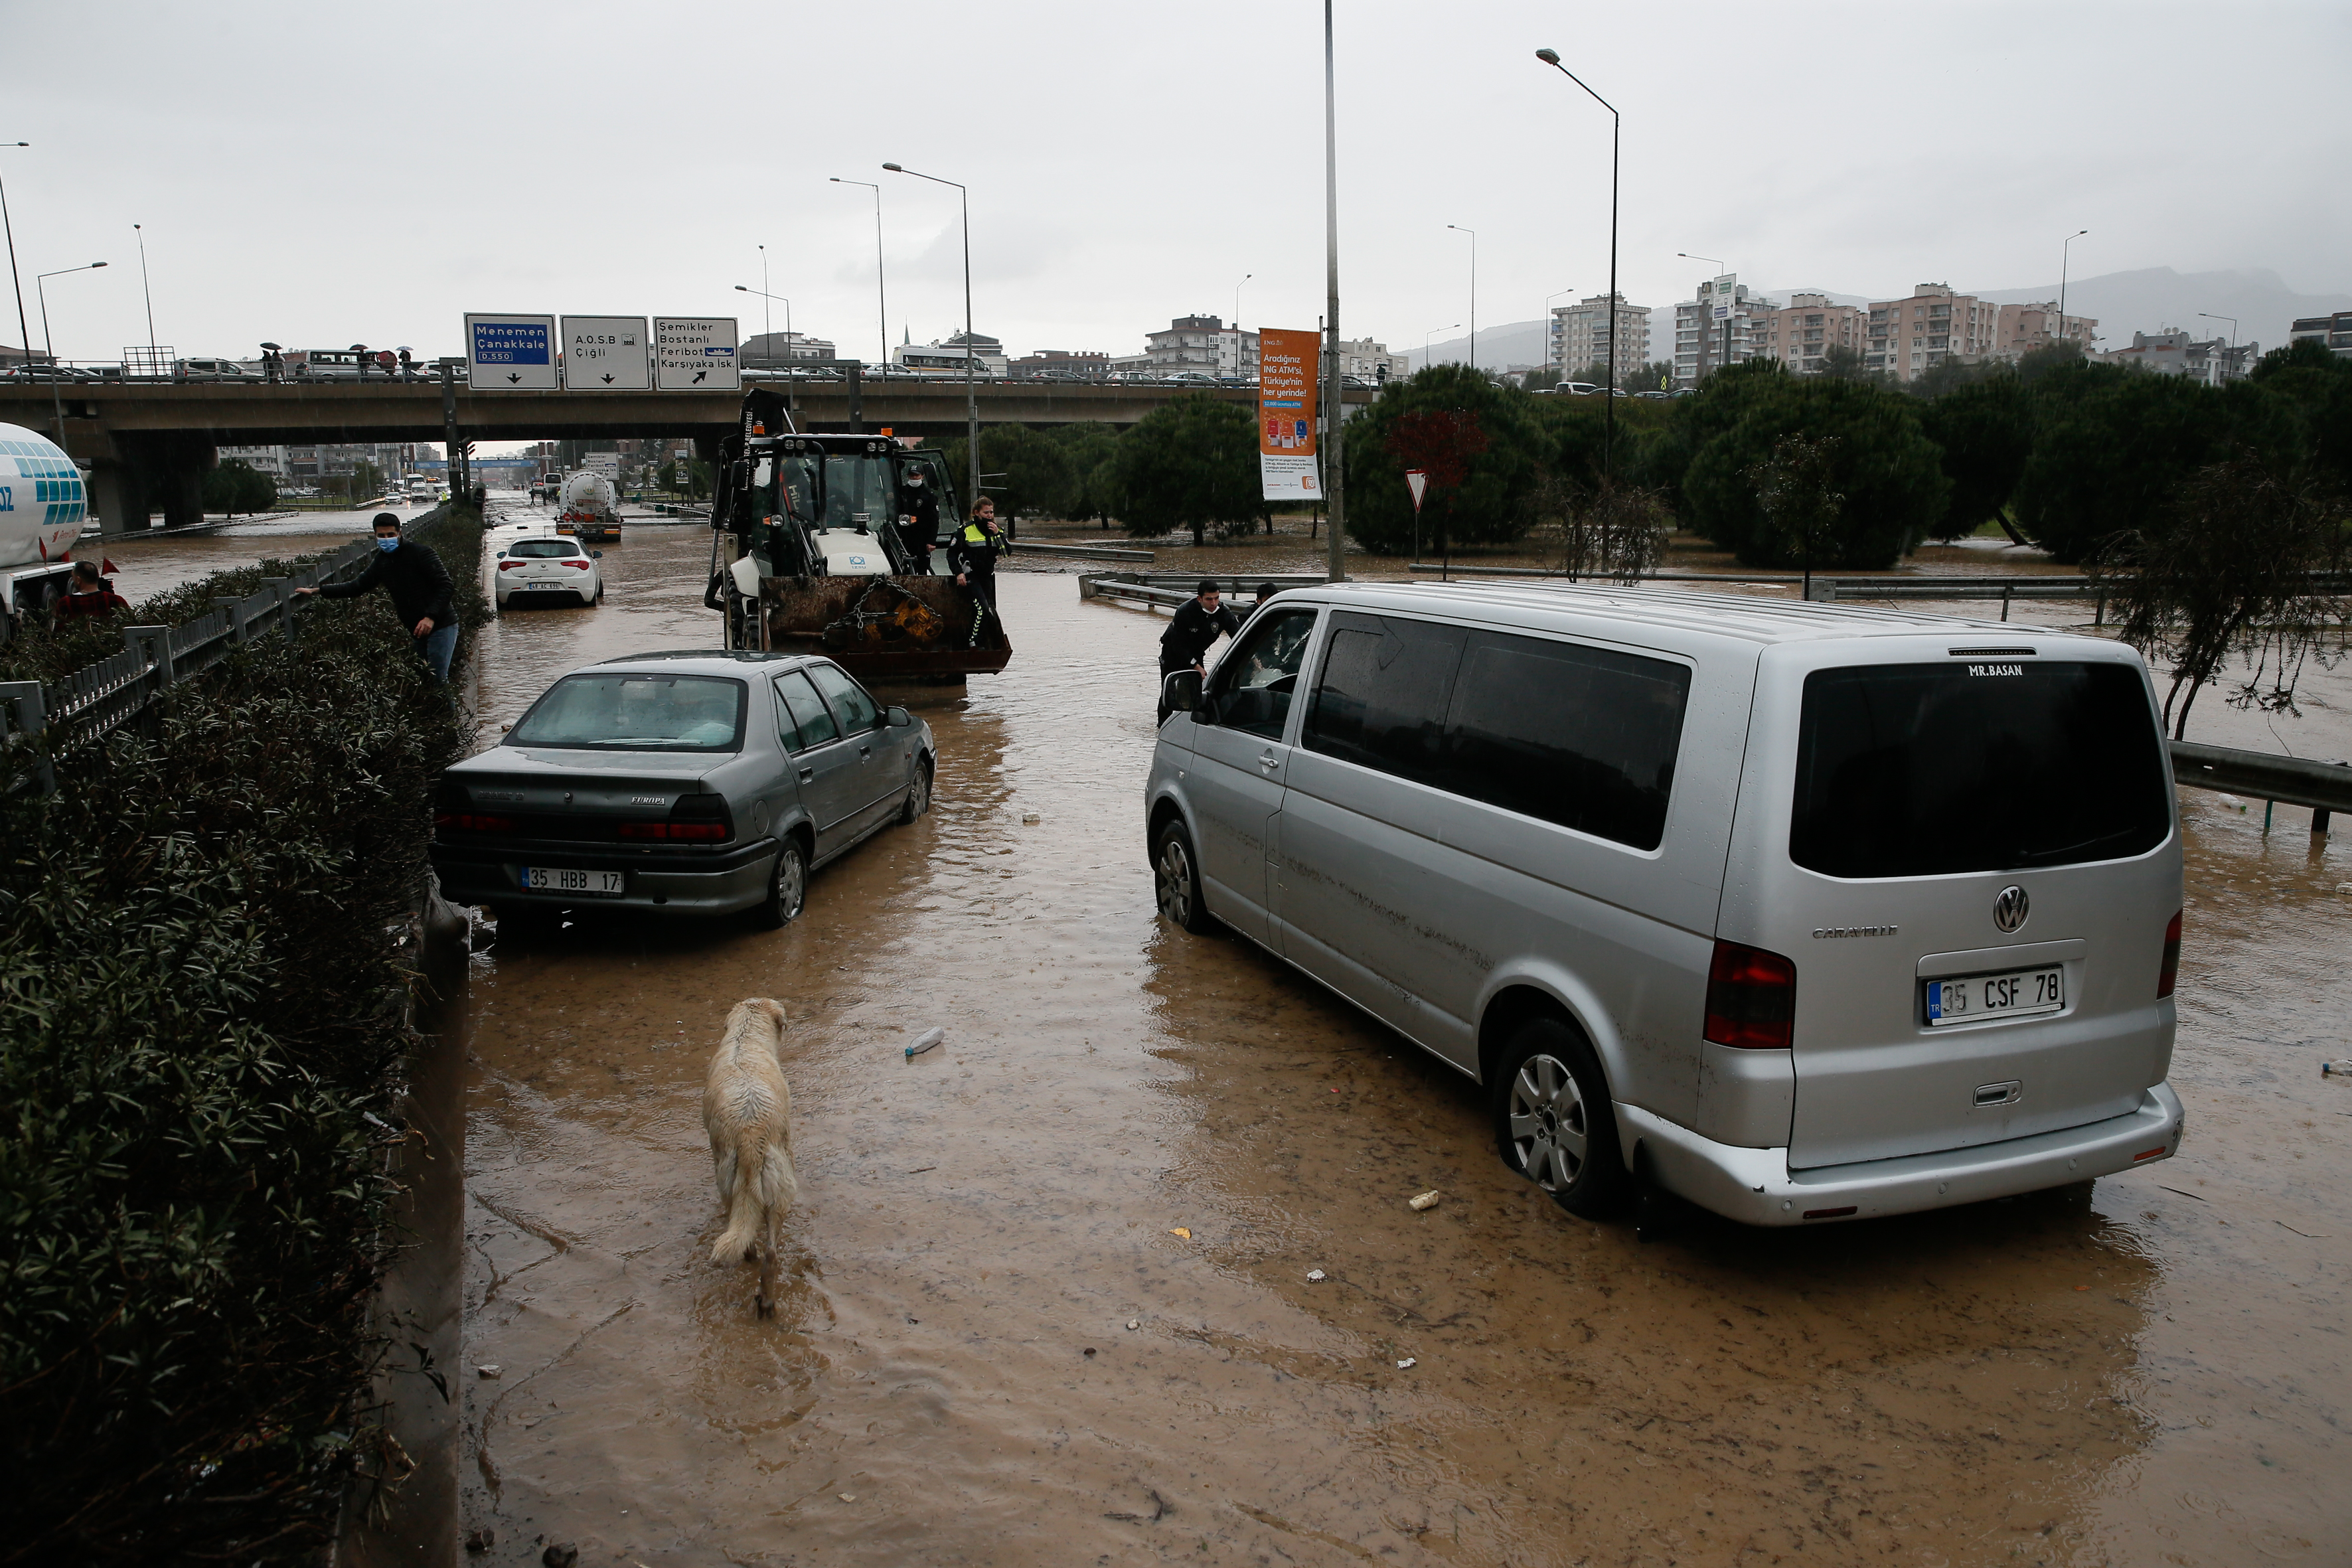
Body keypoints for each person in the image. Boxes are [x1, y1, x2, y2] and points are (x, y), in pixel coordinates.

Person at [295, 512, 460, 682]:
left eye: (390, 534)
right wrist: (318, 591)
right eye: (382, 536)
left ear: (399, 533)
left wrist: (430, 617)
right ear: (375, 535)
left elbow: (446, 585)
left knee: (437, 679)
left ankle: (447, 701)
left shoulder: (420, 553)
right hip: (416, 630)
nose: (386, 539)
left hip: (441, 625)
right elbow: (357, 587)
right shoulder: (381, 562)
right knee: (425, 680)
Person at [1157, 580, 1241, 724]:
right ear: (1200, 599)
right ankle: (1162, 725)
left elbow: (1239, 637)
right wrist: (1195, 666)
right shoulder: (1185, 611)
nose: (1214, 603)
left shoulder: (1224, 613)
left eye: (1217, 598)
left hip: (1197, 652)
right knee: (1169, 691)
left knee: (1196, 692)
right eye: (1209, 599)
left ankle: (1191, 724)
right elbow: (1178, 645)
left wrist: (1255, 659)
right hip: (1173, 653)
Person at [947, 497, 1010, 644]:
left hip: (987, 577)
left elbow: (1006, 553)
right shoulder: (966, 530)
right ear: (977, 513)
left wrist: (998, 535)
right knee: (982, 608)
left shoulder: (998, 531)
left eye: (991, 512)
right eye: (986, 512)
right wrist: (958, 573)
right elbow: (952, 554)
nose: (989, 516)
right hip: (970, 576)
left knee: (989, 610)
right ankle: (973, 641)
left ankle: (982, 641)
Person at [50, 560, 127, 627]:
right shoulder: (117, 600)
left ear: (78, 580)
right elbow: (130, 623)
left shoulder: (65, 603)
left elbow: (60, 630)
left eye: (73, 577)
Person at [897, 467, 939, 571]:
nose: (914, 478)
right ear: (908, 476)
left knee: (922, 568)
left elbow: (934, 520)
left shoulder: (928, 495)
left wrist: (932, 541)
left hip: (922, 538)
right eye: (912, 475)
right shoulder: (901, 492)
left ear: (922, 477)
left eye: (917, 475)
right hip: (905, 537)